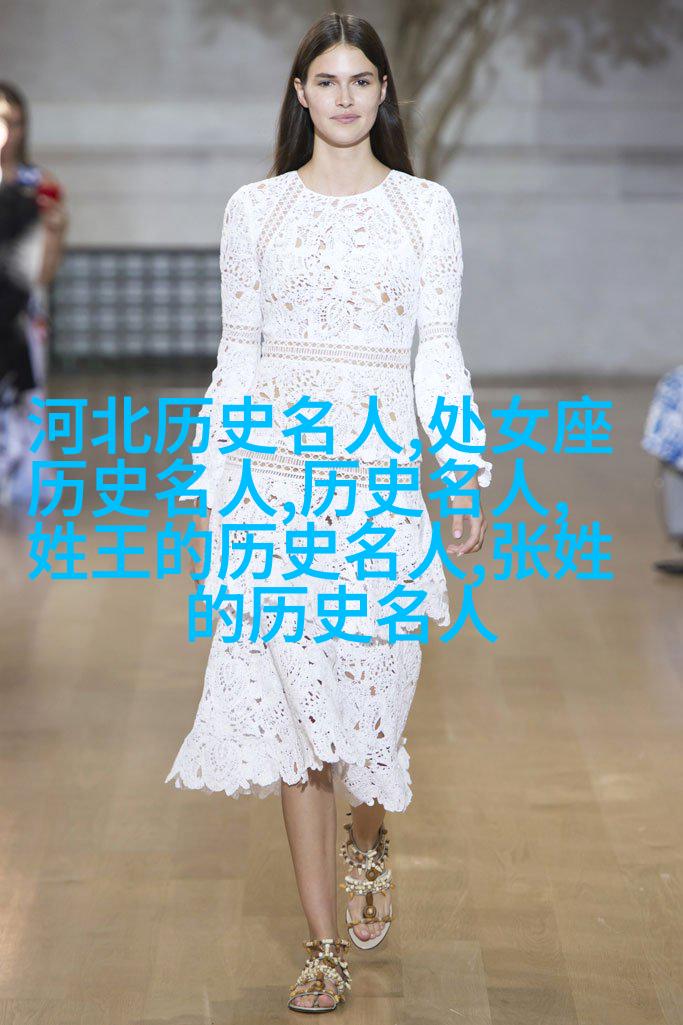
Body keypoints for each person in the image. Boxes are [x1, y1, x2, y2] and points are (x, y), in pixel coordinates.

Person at [165, 13, 492, 1014]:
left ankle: (369, 833)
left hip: (378, 486)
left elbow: (437, 348)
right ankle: (322, 946)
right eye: (326, 80)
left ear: (382, 92)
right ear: (298, 93)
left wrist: (461, 465)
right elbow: (238, 352)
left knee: (370, 707)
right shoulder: (255, 210)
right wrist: (217, 482)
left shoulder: (423, 210)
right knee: (295, 720)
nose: (343, 97)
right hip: (274, 490)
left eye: (360, 80)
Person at [0, 81, 68, 509]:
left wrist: (54, 231)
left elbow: (44, 269)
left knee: (27, 398)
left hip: (21, 313)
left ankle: (26, 484)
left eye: (14, 122)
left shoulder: (38, 185)